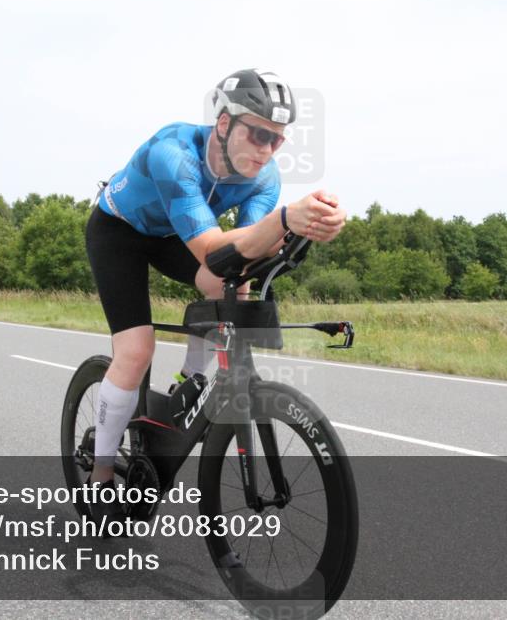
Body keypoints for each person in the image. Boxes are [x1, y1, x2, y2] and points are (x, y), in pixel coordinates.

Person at [84, 69, 346, 524]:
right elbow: (210, 248)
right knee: (136, 350)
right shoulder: (175, 153)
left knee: (235, 283)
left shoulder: (265, 178)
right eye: (258, 134)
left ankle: (189, 383)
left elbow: (247, 249)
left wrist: (310, 226)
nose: (266, 151)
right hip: (119, 233)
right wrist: (286, 218)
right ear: (224, 124)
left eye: (277, 141)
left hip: (173, 237)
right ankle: (101, 478)